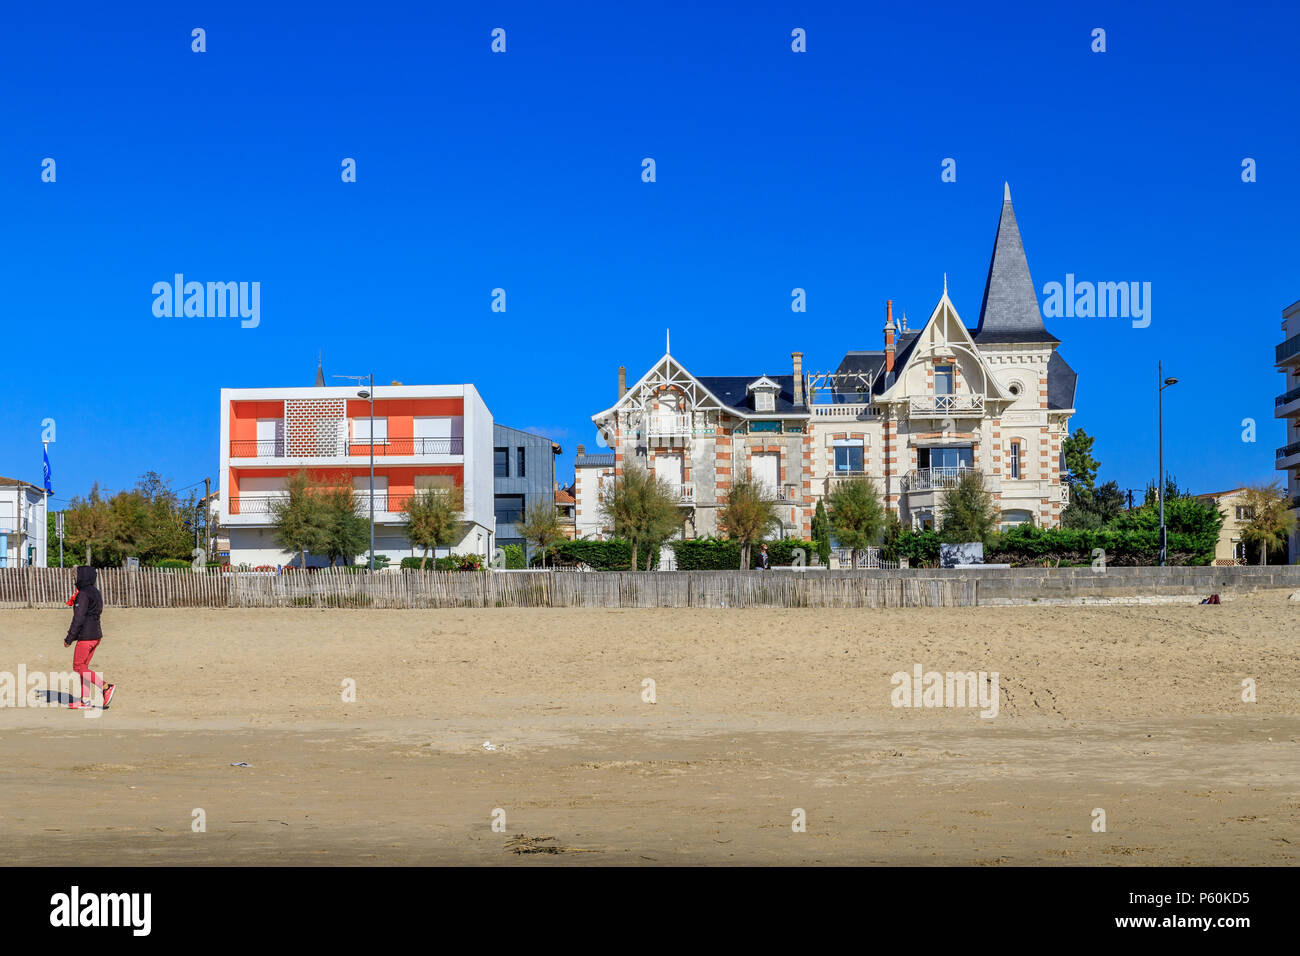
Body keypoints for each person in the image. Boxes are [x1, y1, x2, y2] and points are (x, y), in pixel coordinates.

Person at [64, 566, 115, 710]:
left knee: (78, 667)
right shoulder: (95, 592)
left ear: (82, 577)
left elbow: (78, 618)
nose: (74, 579)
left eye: (75, 576)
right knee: (83, 668)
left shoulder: (84, 594)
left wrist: (69, 638)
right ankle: (85, 700)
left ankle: (106, 687)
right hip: (96, 635)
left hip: (86, 636)